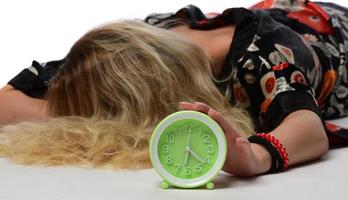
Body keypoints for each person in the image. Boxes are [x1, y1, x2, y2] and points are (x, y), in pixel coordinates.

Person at [0, 0, 346, 177]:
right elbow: (8, 100)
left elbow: (307, 128)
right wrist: (81, 111)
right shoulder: (129, 45)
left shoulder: (267, 55)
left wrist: (254, 157)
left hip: (331, 31)